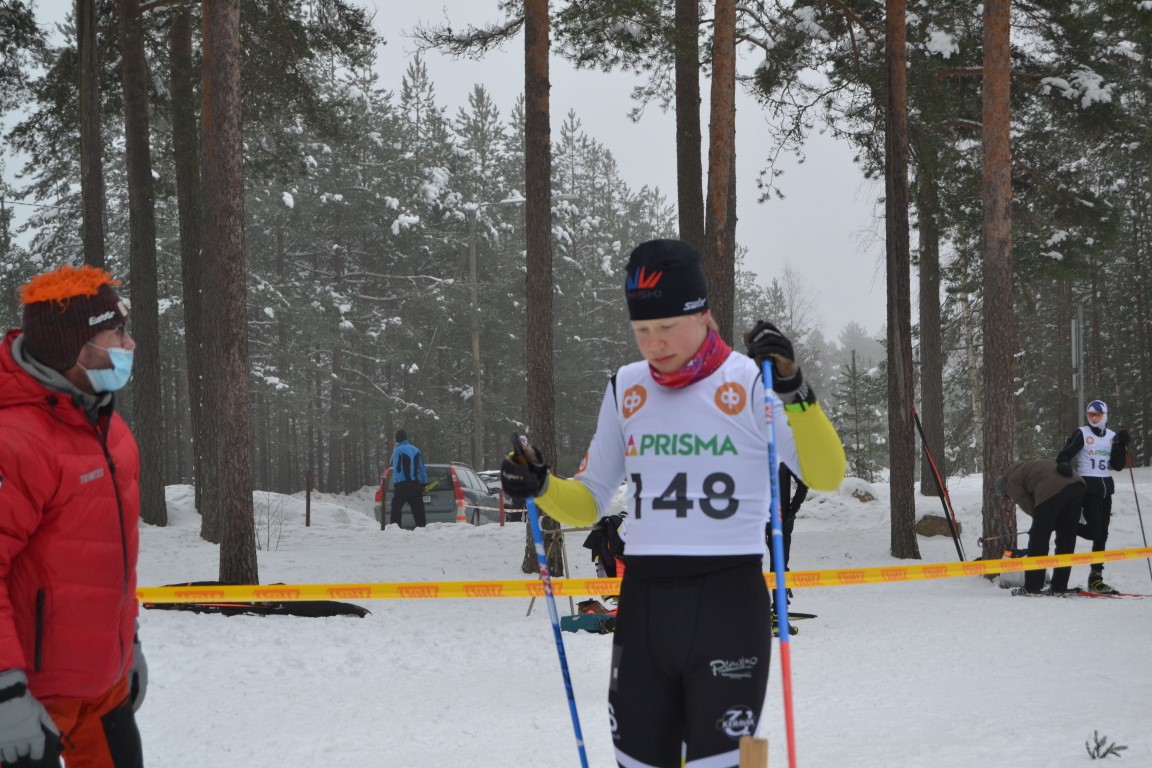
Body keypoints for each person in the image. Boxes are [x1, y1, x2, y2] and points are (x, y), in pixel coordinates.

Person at [500, 239, 846, 768]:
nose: (654, 344)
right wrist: (541, 485)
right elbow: (589, 502)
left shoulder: (750, 381)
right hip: (645, 607)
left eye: (666, 327)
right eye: (642, 330)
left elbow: (827, 474)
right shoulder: (626, 388)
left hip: (728, 605)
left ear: (704, 315)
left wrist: (794, 390)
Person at [0, 264, 147, 768]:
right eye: (118, 334)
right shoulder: (14, 441)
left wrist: (129, 643)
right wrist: (5, 693)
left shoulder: (109, 427)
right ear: (78, 352)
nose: (130, 344)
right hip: (30, 696)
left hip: (104, 688)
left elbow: (113, 558)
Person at [1055, 400, 1129, 594]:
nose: (1094, 418)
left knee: (1102, 534)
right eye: (1091, 415)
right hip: (1088, 486)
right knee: (1093, 532)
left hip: (1106, 488)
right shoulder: (1082, 433)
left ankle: (1096, 578)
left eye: (1097, 414)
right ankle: (1065, 524)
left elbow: (1118, 465)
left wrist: (1122, 445)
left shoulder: (1112, 436)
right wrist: (1064, 464)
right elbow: (1064, 455)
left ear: (1105, 415)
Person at [993, 459, 1085, 595]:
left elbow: (1029, 506)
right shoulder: (1026, 467)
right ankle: (1059, 587)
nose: (1009, 497)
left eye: (1006, 496)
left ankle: (1032, 587)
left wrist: (1041, 524)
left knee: (1038, 540)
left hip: (1052, 488)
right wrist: (1048, 521)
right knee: (1066, 539)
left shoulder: (1011, 483)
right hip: (1077, 485)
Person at [389, 429, 428, 528]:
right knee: (418, 510)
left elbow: (397, 469)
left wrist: (396, 484)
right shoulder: (416, 450)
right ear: (405, 438)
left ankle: (395, 529)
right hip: (415, 484)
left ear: (397, 439)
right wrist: (423, 483)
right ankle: (422, 529)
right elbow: (422, 469)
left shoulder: (397, 450)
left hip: (402, 485)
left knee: (396, 509)